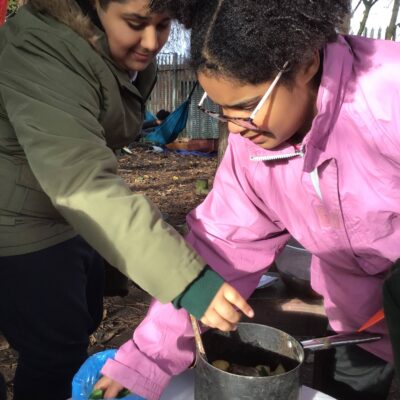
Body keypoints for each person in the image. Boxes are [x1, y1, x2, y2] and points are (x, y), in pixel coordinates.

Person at [94, 0, 400, 399]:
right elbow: (222, 245)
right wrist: (145, 361)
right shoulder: (252, 150)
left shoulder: (388, 95)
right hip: (357, 321)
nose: (236, 130)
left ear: (306, 63)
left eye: (248, 107)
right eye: (220, 108)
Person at [0, 1, 253, 399]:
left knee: (78, 324)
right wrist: (187, 279)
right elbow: (80, 180)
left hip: (68, 211)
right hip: (20, 220)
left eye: (164, 25)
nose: (151, 42)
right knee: (53, 354)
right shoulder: (41, 47)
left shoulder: (118, 51)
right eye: (135, 23)